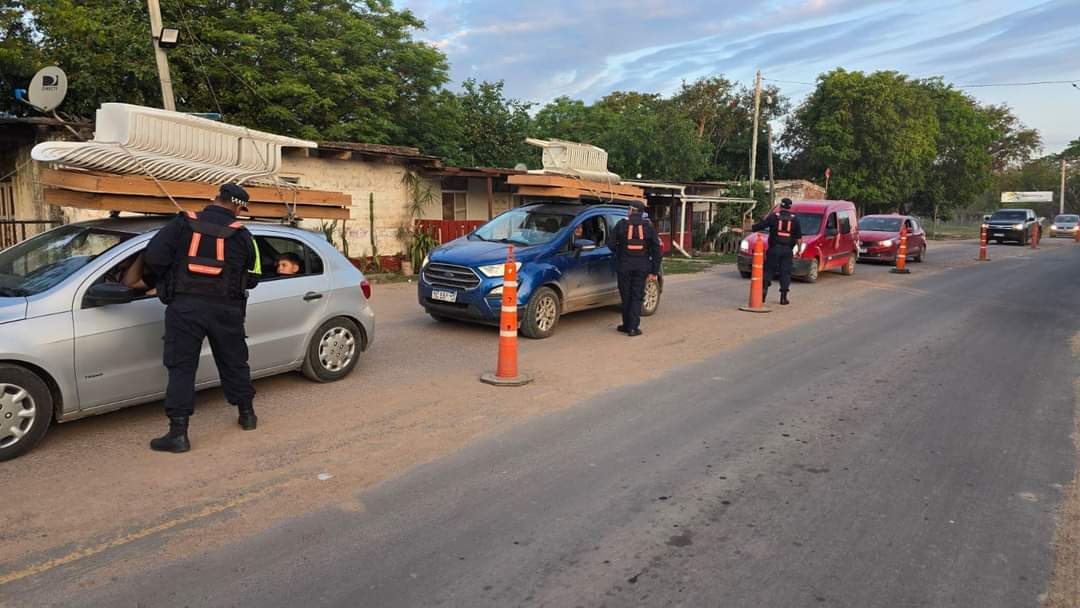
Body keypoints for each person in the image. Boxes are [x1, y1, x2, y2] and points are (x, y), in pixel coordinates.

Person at [143, 183, 262, 453]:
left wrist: (164, 281)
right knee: (234, 362)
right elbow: (254, 277)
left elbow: (154, 257)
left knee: (182, 367)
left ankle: (178, 434)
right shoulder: (243, 235)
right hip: (227, 310)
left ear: (215, 198)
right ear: (238, 208)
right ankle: (247, 415)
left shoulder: (182, 223)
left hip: (185, 308)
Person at [613, 201, 661, 336]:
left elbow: (611, 244)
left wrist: (620, 253)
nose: (627, 211)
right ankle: (633, 327)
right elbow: (657, 249)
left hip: (624, 266)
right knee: (637, 296)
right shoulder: (648, 226)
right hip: (642, 267)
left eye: (628, 208)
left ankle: (627, 325)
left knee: (626, 296)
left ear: (632, 210)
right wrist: (654, 270)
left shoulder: (621, 225)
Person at [752, 197, 803, 305]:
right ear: (790, 207)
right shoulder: (795, 219)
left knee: (768, 271)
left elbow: (761, 225)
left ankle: (763, 293)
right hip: (787, 250)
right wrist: (798, 250)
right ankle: (783, 297)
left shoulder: (773, 217)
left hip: (774, 249)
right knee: (785, 273)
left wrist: (748, 228)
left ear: (780, 206)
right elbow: (799, 238)